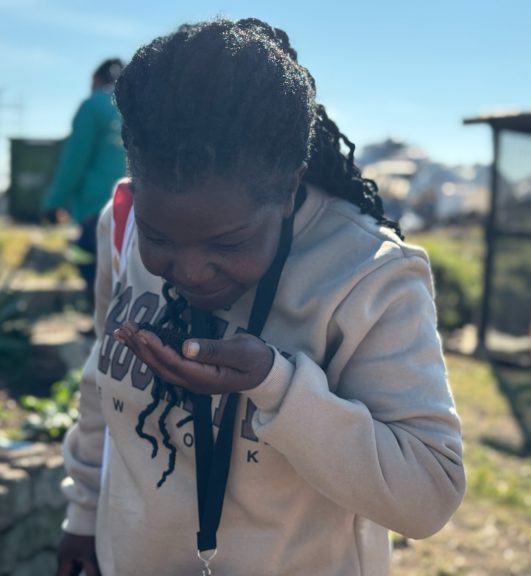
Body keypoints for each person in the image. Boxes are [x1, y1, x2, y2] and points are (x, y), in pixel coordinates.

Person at [56, 18, 465, 576]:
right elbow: (100, 385)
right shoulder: (124, 222)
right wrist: (83, 516)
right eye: (162, 238)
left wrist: (274, 384)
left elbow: (429, 496)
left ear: (289, 187)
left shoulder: (366, 274)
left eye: (229, 242)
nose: (190, 270)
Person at [44, 58, 126, 315]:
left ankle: (100, 327)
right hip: (138, 205)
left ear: (97, 80)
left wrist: (53, 202)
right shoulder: (137, 105)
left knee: (91, 264)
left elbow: (74, 161)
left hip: (97, 206)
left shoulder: (93, 106)